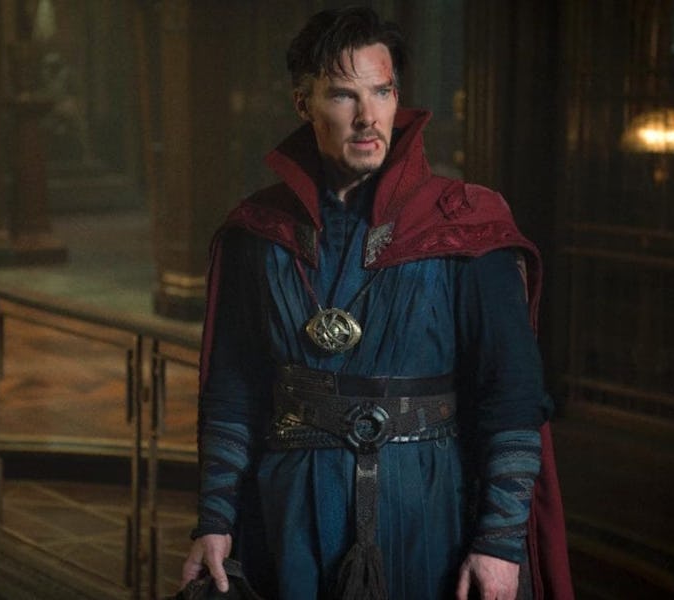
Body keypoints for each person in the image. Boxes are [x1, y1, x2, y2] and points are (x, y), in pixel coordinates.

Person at [181, 7, 573, 600]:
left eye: (382, 92)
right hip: (286, 519)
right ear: (303, 104)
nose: (368, 116)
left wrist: (498, 542)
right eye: (344, 95)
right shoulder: (258, 234)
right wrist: (214, 520)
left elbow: (511, 394)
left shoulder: (464, 227)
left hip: (427, 513)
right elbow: (234, 391)